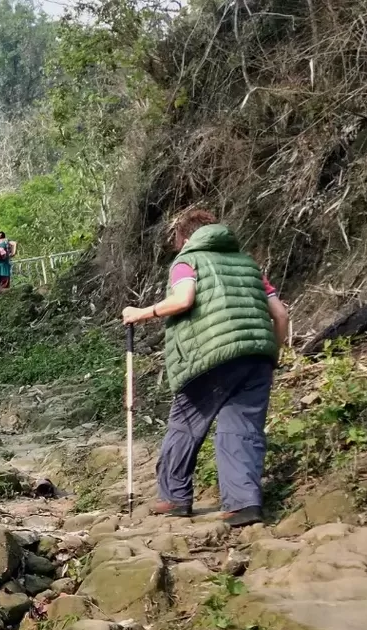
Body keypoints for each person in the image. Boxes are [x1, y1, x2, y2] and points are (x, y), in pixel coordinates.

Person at [123, 208, 290, 527]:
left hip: (209, 359)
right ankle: (243, 505)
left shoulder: (188, 261)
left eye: (177, 240)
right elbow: (280, 315)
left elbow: (183, 300)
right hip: (257, 358)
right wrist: (272, 358)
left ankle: (174, 497)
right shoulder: (249, 264)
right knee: (242, 429)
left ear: (186, 237)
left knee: (186, 423)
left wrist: (140, 313)